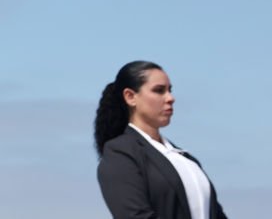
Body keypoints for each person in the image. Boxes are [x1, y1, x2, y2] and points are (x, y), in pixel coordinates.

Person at [94, 61, 228, 219]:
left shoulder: (185, 159)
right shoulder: (121, 152)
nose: (170, 98)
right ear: (130, 97)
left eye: (170, 90)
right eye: (159, 91)